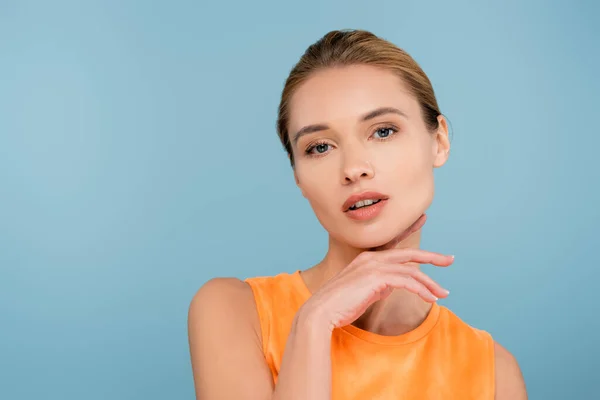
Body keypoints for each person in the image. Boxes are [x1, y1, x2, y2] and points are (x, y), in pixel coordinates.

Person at [187, 29, 527, 399]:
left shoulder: (493, 372)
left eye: (383, 131)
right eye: (319, 147)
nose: (354, 168)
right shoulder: (234, 311)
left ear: (439, 141)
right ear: (298, 176)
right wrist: (313, 324)